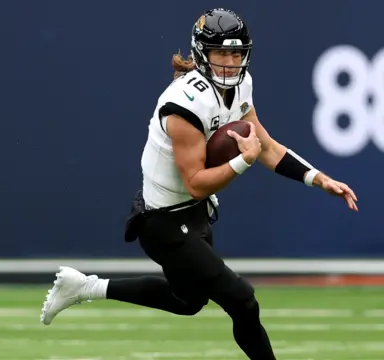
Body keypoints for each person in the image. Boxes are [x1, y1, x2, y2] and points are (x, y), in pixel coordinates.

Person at [39, 8, 358, 360]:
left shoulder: (240, 86)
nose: (230, 62)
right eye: (221, 52)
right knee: (243, 301)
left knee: (187, 301)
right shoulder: (184, 104)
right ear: (201, 54)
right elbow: (195, 183)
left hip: (193, 214)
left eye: (236, 53)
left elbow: (265, 145)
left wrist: (318, 178)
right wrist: (241, 161)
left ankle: (85, 286)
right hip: (162, 221)